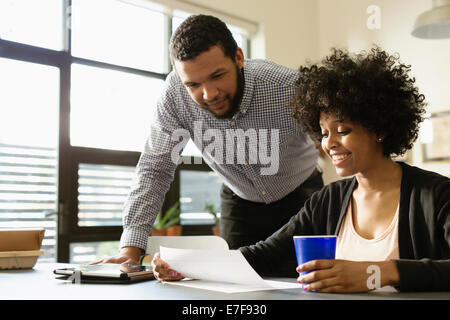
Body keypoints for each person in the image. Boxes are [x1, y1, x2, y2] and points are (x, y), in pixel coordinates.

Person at [152, 47, 450, 292]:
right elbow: (264, 254)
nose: (328, 143)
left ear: (380, 129)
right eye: (322, 132)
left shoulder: (436, 195)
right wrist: (185, 266)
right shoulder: (328, 200)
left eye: (342, 130)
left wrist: (379, 272)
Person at [92, 14, 323, 267]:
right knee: (237, 285)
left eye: (217, 76)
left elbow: (336, 142)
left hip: (303, 197)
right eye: (193, 84)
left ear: (238, 57)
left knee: (312, 281)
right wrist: (130, 249)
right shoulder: (174, 96)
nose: (209, 94)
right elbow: (154, 168)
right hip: (240, 201)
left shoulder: (287, 86)